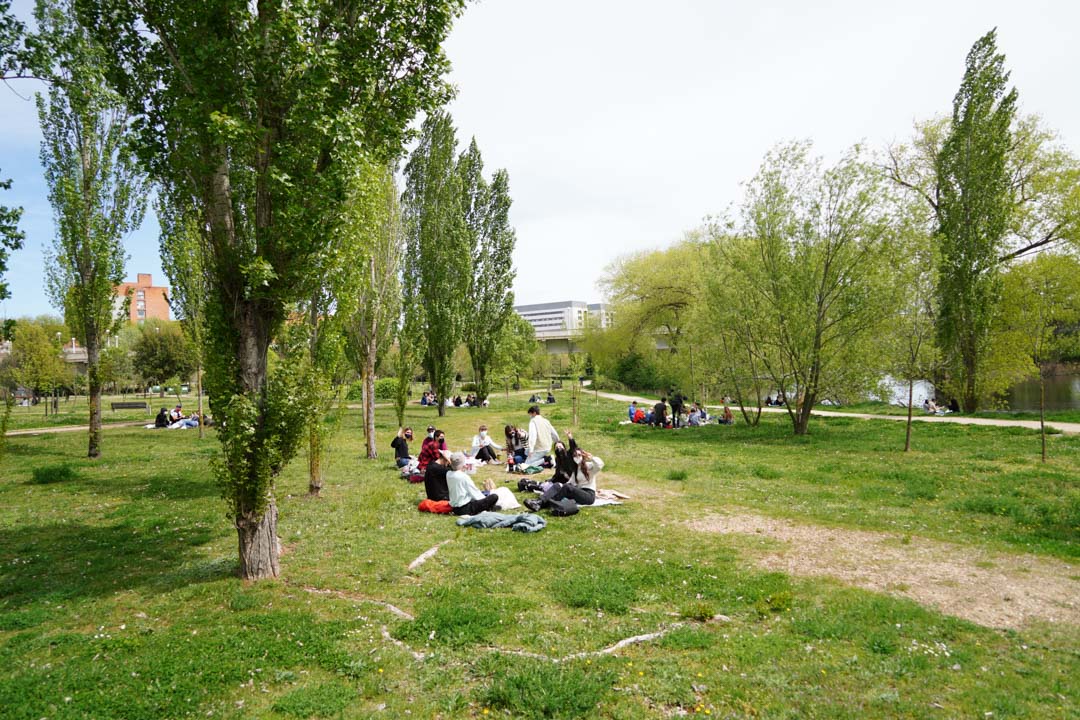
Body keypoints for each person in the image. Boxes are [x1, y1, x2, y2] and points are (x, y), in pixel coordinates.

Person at [525, 438, 603, 512]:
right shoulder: (575, 469)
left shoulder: (588, 466)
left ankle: (542, 504)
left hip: (588, 496)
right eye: (575, 455)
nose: (577, 457)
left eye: (579, 455)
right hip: (579, 492)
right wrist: (559, 486)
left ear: (583, 456)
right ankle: (540, 501)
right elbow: (570, 483)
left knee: (567, 487)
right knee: (558, 485)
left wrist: (592, 457)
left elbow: (600, 465)